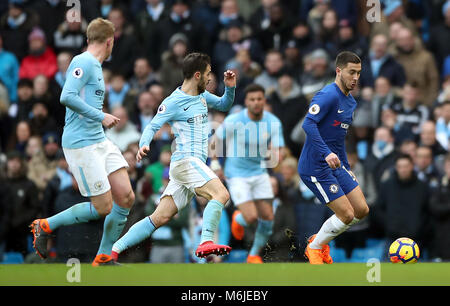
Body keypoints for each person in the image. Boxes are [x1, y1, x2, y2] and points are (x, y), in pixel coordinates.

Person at [30, 18, 135, 266]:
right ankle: (44, 226)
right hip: (81, 143)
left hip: (99, 139)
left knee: (127, 197)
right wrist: (102, 116)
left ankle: (103, 255)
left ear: (89, 39)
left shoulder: (95, 66)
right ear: (110, 42)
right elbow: (67, 96)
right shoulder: (83, 61)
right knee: (103, 207)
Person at [110, 52, 236, 261]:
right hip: (186, 161)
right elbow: (153, 125)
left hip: (188, 166)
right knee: (221, 195)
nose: (210, 78)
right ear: (197, 75)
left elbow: (224, 105)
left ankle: (112, 251)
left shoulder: (202, 96)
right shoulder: (174, 102)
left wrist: (230, 87)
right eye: (207, 73)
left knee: (159, 217)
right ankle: (206, 241)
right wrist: (143, 145)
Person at [297, 51, 370, 264]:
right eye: (351, 72)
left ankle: (318, 241)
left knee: (362, 210)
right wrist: (326, 152)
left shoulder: (350, 103)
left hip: (336, 164)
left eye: (358, 73)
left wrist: (346, 166)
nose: (355, 78)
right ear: (338, 71)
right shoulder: (328, 95)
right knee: (346, 215)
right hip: (314, 167)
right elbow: (308, 124)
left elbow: (339, 139)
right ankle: (316, 246)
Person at [215, 83, 284, 263]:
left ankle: (253, 254)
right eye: (252, 99)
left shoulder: (273, 122)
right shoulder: (233, 121)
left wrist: (276, 157)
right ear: (246, 102)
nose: (256, 103)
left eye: (259, 99)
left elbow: (278, 151)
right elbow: (215, 143)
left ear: (264, 101)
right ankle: (238, 219)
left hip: (259, 173)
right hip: (236, 174)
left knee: (268, 221)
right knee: (251, 217)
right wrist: (216, 164)